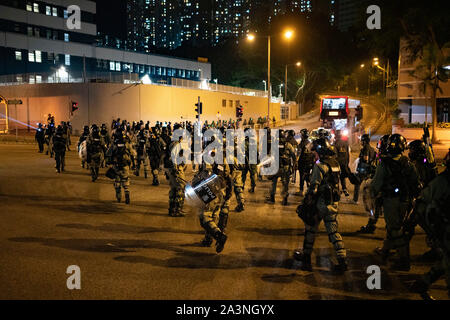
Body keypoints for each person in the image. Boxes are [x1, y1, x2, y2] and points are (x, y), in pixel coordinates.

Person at [293, 138, 347, 272]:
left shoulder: (319, 166)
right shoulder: (335, 164)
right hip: (333, 204)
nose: (314, 155)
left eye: (315, 152)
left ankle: (306, 259)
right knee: (333, 232)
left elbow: (313, 188)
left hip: (320, 204)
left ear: (320, 152)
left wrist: (305, 203)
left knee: (310, 230)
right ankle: (342, 260)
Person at [370, 134, 421, 271]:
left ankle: (404, 260)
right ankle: (385, 251)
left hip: (391, 200)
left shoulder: (384, 164)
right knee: (395, 226)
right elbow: (416, 183)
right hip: (405, 201)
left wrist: (372, 196)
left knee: (395, 229)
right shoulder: (407, 163)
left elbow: (376, 184)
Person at [410, 157, 450, 300]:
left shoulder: (442, 181)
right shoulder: (443, 182)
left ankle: (425, 281)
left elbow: (424, 199)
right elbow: (424, 199)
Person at [359, 134, 390, 234]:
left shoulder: (385, 161)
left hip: (386, 190)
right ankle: (372, 224)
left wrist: (374, 189)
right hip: (390, 190)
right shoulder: (399, 160)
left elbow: (378, 179)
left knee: (370, 198)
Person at [266, 130, 296, 206]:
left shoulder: (274, 144)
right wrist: (294, 164)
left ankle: (272, 198)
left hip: (276, 167)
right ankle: (285, 199)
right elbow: (293, 155)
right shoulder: (288, 144)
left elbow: (270, 156)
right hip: (285, 167)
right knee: (285, 183)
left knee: (274, 182)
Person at [105, 128, 136, 204]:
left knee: (117, 182)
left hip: (116, 166)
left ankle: (119, 197)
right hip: (125, 165)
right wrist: (133, 163)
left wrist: (108, 162)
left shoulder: (114, 144)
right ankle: (127, 193)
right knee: (125, 180)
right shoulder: (127, 143)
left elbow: (108, 154)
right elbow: (133, 153)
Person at [165, 123, 187, 217]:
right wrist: (176, 169)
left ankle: (172, 209)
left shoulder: (173, 142)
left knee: (173, 189)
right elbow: (173, 158)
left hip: (173, 169)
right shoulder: (176, 144)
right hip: (176, 169)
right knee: (180, 188)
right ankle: (178, 210)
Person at [353, 134, 376, 204]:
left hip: (363, 169)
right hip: (370, 169)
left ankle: (355, 200)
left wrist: (360, 159)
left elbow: (366, 158)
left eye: (362, 141)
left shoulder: (365, 148)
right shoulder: (372, 149)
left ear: (365, 142)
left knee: (357, 183)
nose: (361, 142)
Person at [297, 129, 315, 196]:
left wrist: (296, 162)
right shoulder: (310, 143)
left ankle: (301, 191)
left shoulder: (302, 144)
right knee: (307, 176)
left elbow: (298, 154)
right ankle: (309, 190)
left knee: (302, 176)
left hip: (302, 163)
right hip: (309, 163)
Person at [333, 130, 351, 197]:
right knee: (342, 177)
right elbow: (348, 154)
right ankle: (344, 189)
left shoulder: (335, 143)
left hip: (338, 163)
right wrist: (347, 162)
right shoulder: (346, 143)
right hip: (345, 162)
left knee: (336, 178)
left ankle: (337, 192)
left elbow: (335, 155)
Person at [242, 128, 258, 193]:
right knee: (253, 175)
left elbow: (243, 152)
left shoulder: (245, 142)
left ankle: (242, 187)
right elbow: (257, 152)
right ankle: (253, 187)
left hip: (246, 161)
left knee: (243, 175)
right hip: (253, 160)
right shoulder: (254, 141)